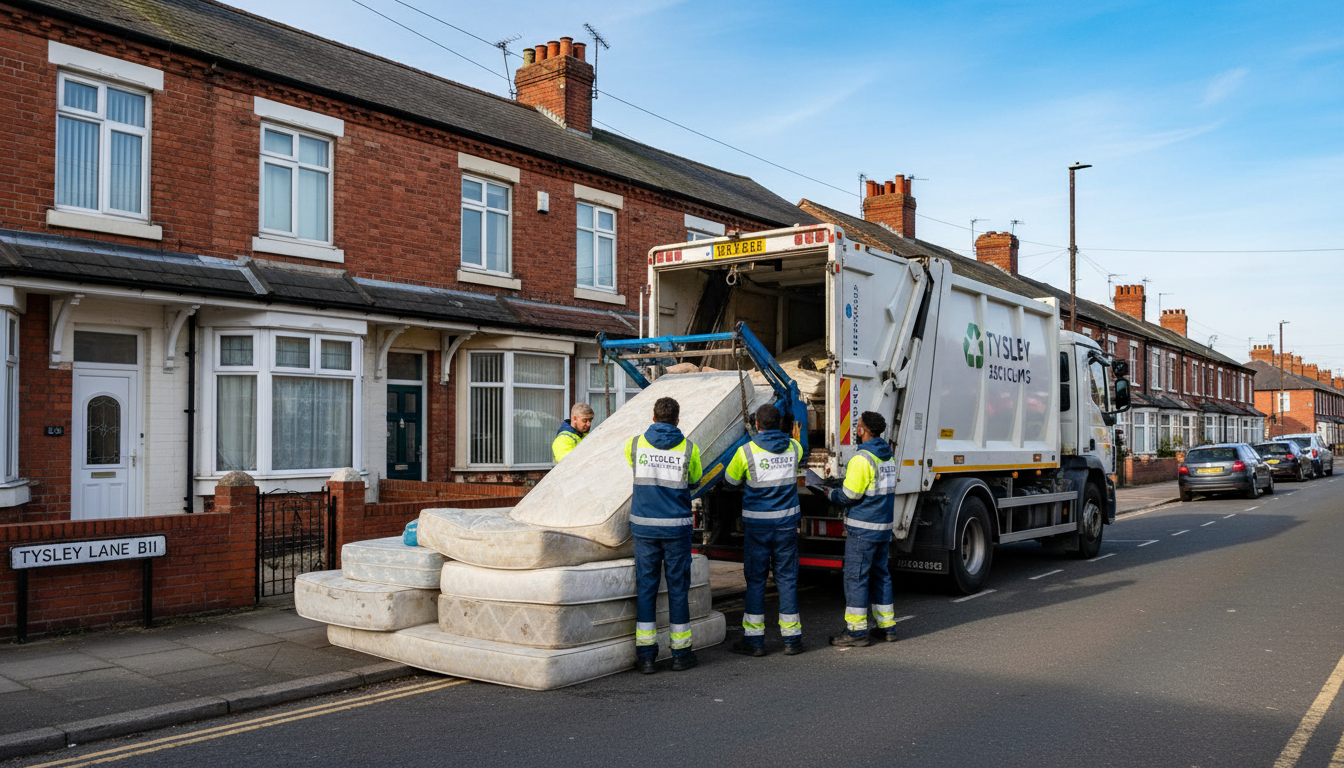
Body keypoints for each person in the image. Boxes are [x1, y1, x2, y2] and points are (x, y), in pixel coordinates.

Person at [625, 396, 703, 674]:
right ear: (677, 420)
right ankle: (681, 654)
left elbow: (634, 469)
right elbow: (695, 480)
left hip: (644, 527)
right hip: (676, 528)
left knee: (646, 589)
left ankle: (646, 657)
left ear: (654, 417)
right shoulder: (690, 449)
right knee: (677, 589)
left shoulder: (634, 444)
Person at [724, 403, 805, 657]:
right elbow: (799, 454)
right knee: (787, 580)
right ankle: (792, 639)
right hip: (786, 526)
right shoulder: (794, 447)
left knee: (757, 581)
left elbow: (730, 481)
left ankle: (754, 640)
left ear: (757, 424)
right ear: (780, 424)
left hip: (758, 527)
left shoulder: (746, 451)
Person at [827, 411, 898, 647]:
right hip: (883, 527)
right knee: (881, 575)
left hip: (863, 529)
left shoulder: (862, 458)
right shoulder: (888, 457)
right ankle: (886, 627)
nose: (856, 429)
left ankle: (856, 632)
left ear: (863, 430)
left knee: (856, 578)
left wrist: (831, 493)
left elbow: (850, 495)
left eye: (858, 425)